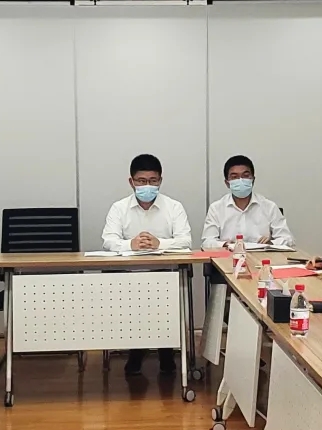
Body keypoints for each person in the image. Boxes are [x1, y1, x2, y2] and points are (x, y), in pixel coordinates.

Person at [102, 154, 192, 375]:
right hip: (128, 276)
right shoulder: (119, 208)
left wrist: (160, 243)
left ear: (160, 181)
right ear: (131, 181)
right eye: (141, 181)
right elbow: (108, 241)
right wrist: (130, 244)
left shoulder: (174, 207)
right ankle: (136, 351)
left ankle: (166, 352)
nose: (147, 186)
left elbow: (186, 241)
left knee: (163, 295)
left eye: (153, 181)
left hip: (166, 275)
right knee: (136, 303)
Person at [201, 155, 294, 248]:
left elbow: (288, 240)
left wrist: (271, 243)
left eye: (245, 176)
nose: (240, 180)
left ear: (253, 180)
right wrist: (224, 245)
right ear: (227, 183)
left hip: (262, 255)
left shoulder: (269, 207)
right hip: (229, 255)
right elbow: (207, 242)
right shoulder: (216, 208)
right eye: (234, 177)